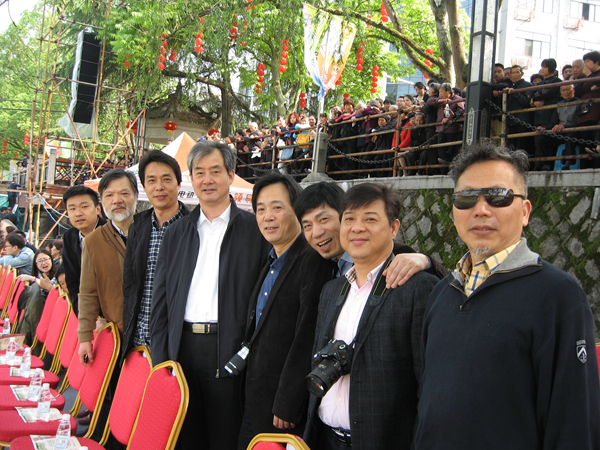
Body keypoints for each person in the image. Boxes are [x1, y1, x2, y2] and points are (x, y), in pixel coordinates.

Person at [413, 141, 600, 450]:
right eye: (466, 198)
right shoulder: (442, 293)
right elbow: (427, 400)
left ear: (525, 211)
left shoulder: (559, 296)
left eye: (498, 196)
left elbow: (574, 421)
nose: (481, 209)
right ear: (453, 211)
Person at [149, 141, 270, 450]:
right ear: (191, 178)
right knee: (184, 436)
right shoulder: (176, 233)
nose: (207, 180)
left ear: (230, 175)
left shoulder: (255, 230)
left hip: (229, 347)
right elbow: (160, 303)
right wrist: (161, 358)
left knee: (225, 436)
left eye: (215, 171)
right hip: (182, 347)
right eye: (199, 172)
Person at [303, 183, 440, 450]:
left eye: (370, 219)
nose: (357, 228)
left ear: (394, 228)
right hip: (325, 438)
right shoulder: (331, 291)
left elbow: (429, 384)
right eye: (349, 219)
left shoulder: (417, 288)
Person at [237, 172, 335, 448]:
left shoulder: (312, 259)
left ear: (297, 211)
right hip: (256, 396)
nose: (268, 217)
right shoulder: (270, 258)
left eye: (277, 207)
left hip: (282, 409)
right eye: (261, 209)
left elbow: (307, 336)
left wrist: (288, 401)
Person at [294, 181, 447, 286]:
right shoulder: (317, 265)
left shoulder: (398, 256)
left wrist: (426, 261)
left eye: (323, 219)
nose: (316, 233)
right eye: (307, 226)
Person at [121, 151, 189, 360]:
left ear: (178, 184)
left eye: (166, 179)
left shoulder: (193, 228)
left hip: (175, 342)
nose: (159, 187)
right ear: (144, 186)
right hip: (138, 338)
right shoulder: (138, 226)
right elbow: (130, 283)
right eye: (151, 180)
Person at [78, 169, 138, 367]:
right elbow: (87, 292)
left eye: (124, 193)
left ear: (136, 196)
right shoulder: (93, 241)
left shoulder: (155, 231)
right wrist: (85, 337)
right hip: (118, 337)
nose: (117, 200)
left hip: (156, 334)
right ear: (101, 202)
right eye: (109, 195)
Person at [61, 186, 105, 316]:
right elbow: (72, 280)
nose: (78, 213)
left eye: (84, 207)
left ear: (97, 209)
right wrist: (82, 314)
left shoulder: (111, 233)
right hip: (86, 312)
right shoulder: (70, 236)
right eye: (72, 209)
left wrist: (104, 317)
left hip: (112, 313)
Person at [15, 250, 58, 346]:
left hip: (50, 310)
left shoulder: (58, 274)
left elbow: (52, 289)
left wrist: (33, 279)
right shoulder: (38, 274)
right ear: (36, 264)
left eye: (45, 259)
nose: (43, 263)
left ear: (51, 259)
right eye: (40, 261)